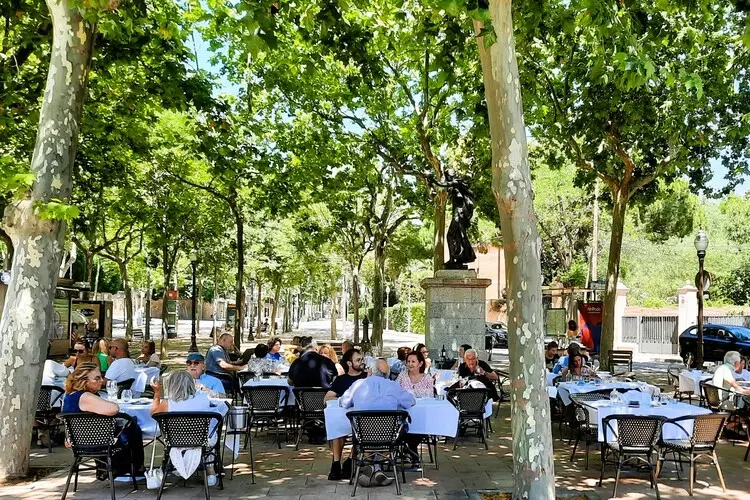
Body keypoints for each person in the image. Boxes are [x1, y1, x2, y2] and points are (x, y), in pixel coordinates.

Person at [339, 360, 415, 488]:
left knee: (364, 439)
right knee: (400, 432)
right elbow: (410, 401)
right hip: (389, 437)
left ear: (370, 371)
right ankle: (377, 467)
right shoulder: (393, 386)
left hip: (363, 436)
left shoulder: (358, 384)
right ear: (387, 374)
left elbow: (344, 402)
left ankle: (371, 466)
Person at [63, 363, 144, 479]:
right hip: (96, 443)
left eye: (101, 377)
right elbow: (114, 409)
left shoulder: (69, 396)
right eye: (97, 378)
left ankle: (109, 466)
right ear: (84, 381)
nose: (101, 381)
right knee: (133, 426)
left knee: (125, 426)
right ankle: (133, 467)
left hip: (78, 442)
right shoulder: (86, 396)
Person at [150, 370, 222, 486]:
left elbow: (154, 414)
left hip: (175, 440)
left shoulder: (167, 403)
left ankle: (179, 466)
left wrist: (157, 392)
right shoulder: (203, 399)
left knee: (205, 434)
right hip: (201, 440)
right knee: (210, 433)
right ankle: (210, 472)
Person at [324, 349, 368, 481]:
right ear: (349, 363)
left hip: (363, 418)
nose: (362, 362)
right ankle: (336, 463)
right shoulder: (341, 379)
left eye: (362, 359)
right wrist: (344, 399)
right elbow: (327, 399)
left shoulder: (367, 377)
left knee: (361, 430)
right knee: (337, 427)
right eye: (358, 360)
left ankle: (350, 460)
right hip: (344, 416)